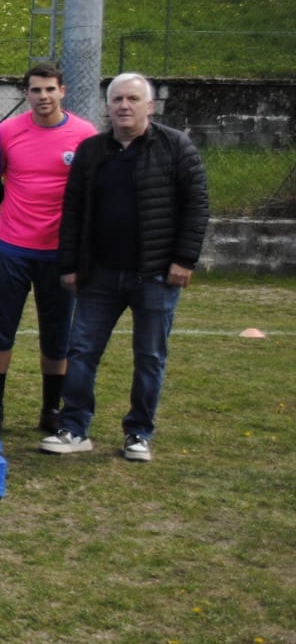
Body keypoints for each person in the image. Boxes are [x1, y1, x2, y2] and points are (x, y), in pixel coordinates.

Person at [40, 73, 208, 463]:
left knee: (149, 356)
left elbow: (196, 206)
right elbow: (74, 210)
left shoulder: (176, 147)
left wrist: (184, 260)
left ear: (149, 106)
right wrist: (70, 264)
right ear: (108, 106)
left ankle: (138, 433)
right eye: (117, 99)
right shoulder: (92, 151)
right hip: (99, 274)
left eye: (133, 98)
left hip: (155, 275)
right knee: (81, 351)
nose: (124, 106)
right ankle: (74, 427)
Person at [0, 65, 97, 434]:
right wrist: (15, 212)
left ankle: (52, 408)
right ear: (26, 93)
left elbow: (87, 194)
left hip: (58, 254)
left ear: (63, 91)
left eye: (50, 89)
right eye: (35, 90)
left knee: (56, 334)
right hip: (12, 248)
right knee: (1, 331)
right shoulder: (7, 132)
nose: (43, 96)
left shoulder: (84, 135)